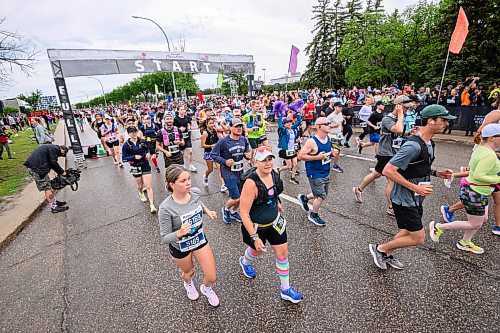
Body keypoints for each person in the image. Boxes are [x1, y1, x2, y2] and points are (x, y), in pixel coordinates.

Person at [368, 105, 456, 270]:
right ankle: (380, 249)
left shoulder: (429, 143)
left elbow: (418, 167)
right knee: (418, 238)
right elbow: (389, 170)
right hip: (404, 198)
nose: (446, 124)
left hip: (415, 197)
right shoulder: (413, 145)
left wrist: (437, 173)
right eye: (443, 120)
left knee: (409, 230)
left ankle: (385, 253)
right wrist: (415, 188)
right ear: (430, 121)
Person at [238, 147, 303, 303]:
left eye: (269, 159)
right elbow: (244, 213)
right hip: (256, 227)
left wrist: (277, 202)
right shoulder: (251, 183)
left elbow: (274, 191)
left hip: (275, 222)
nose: (267, 163)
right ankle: (244, 261)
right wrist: (254, 238)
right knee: (256, 252)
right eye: (263, 160)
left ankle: (285, 289)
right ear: (255, 162)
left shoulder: (273, 173)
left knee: (283, 254)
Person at [430, 124, 500, 253]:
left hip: (474, 191)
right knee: (476, 223)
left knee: (482, 218)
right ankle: (439, 227)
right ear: (491, 138)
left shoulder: (480, 148)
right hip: (475, 192)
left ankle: (465, 242)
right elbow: (479, 175)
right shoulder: (489, 155)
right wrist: (497, 179)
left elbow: (473, 171)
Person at [158, 165, 219, 307]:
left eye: (189, 179)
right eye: (183, 181)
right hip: (180, 247)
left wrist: (207, 211)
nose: (188, 183)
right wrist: (179, 233)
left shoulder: (195, 192)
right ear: (172, 184)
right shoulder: (166, 208)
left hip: (199, 240)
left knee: (211, 276)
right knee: (189, 271)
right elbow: (164, 237)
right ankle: (188, 283)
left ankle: (207, 288)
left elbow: (198, 202)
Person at [353, 96, 412, 216]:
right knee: (392, 180)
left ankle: (358, 189)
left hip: (394, 152)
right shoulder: (388, 118)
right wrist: (400, 115)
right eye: (405, 107)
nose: (407, 110)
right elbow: (398, 129)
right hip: (386, 153)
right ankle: (391, 207)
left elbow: (401, 132)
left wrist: (410, 132)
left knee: (376, 174)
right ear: (398, 106)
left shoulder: (400, 117)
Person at [210, 118, 252, 224]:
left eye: (240, 126)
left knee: (241, 197)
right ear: (230, 128)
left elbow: (246, 152)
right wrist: (224, 161)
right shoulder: (223, 141)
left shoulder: (243, 139)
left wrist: (248, 156)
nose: (239, 128)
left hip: (240, 171)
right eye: (236, 126)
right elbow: (213, 154)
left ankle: (233, 212)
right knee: (236, 197)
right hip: (228, 172)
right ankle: (226, 209)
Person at [297, 117, 333, 226]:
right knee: (321, 196)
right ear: (318, 127)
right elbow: (301, 155)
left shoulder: (328, 137)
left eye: (329, 123)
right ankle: (314, 215)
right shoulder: (312, 142)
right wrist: (317, 157)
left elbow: (326, 153)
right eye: (327, 123)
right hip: (315, 173)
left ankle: (304, 198)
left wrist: (332, 153)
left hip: (325, 171)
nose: (330, 125)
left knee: (323, 192)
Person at [23, 144, 70, 213]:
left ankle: (54, 202)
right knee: (47, 188)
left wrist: (60, 172)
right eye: (62, 154)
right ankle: (54, 207)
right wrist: (62, 172)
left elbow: (52, 162)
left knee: (49, 186)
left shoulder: (52, 148)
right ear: (63, 150)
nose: (61, 155)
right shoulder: (54, 149)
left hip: (39, 168)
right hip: (36, 169)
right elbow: (53, 162)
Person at [121, 126, 157, 213]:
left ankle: (152, 205)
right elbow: (124, 158)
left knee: (148, 186)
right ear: (128, 133)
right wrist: (134, 157)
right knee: (140, 186)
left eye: (135, 131)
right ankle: (140, 193)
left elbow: (148, 149)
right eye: (132, 132)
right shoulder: (126, 145)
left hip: (145, 164)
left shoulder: (142, 141)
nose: (134, 133)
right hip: (135, 166)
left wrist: (148, 153)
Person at [277, 113, 302, 184]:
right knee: (288, 166)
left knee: (295, 164)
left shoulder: (292, 129)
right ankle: (279, 170)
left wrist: (298, 113)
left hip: (292, 150)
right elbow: (280, 126)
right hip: (286, 150)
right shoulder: (284, 131)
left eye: (290, 122)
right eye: (286, 123)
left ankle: (292, 178)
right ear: (284, 124)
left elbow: (298, 122)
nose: (289, 124)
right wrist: (280, 116)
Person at [200, 117, 224, 189]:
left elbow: (217, 140)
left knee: (219, 168)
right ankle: (206, 176)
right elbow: (202, 145)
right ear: (206, 124)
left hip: (216, 152)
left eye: (213, 123)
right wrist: (211, 145)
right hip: (208, 152)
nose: (212, 124)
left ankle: (223, 185)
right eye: (210, 123)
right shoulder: (205, 133)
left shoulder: (215, 130)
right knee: (210, 169)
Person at [174, 105, 197, 172]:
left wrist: (189, 126)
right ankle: (183, 165)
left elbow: (189, 123)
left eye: (183, 109)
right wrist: (179, 129)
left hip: (187, 136)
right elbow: (174, 129)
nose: (182, 111)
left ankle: (191, 165)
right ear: (178, 110)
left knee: (190, 151)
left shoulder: (187, 117)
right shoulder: (175, 119)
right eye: (181, 109)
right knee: (182, 152)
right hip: (180, 137)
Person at [326, 102, 345, 173]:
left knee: (336, 151)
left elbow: (340, 122)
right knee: (336, 151)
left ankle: (330, 159)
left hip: (338, 135)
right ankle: (335, 165)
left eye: (341, 107)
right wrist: (333, 125)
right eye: (339, 107)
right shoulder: (331, 116)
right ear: (335, 107)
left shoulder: (340, 114)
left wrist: (340, 128)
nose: (340, 108)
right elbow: (325, 125)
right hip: (332, 135)